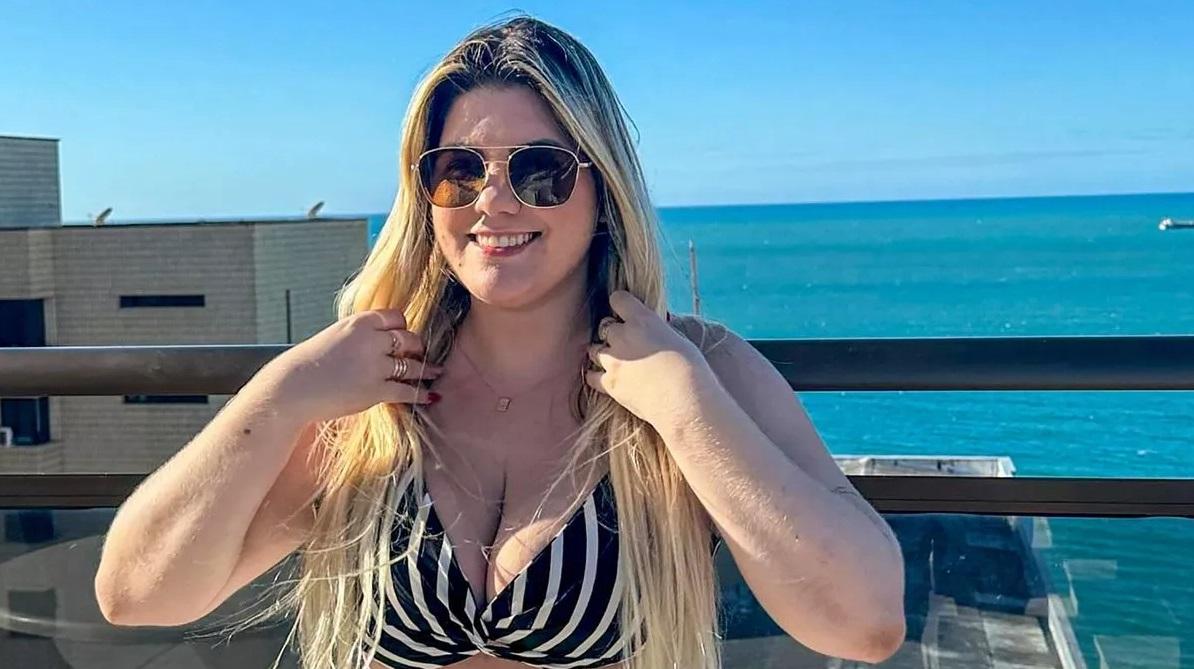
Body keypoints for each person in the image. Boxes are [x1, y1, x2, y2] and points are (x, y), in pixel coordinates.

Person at [94, 15, 906, 669]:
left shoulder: (696, 371)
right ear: (426, 195)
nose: (494, 202)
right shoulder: (369, 399)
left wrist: (688, 412)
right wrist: (279, 397)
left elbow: (863, 624)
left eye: (539, 170)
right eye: (459, 170)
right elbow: (137, 593)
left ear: (602, 188)